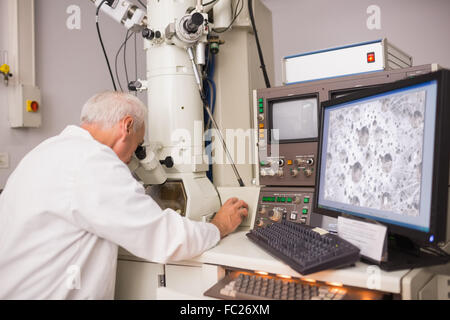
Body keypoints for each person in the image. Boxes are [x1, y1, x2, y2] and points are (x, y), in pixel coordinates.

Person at [0, 92, 248, 299]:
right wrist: (219, 226)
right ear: (127, 126)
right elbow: (164, 238)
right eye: (139, 143)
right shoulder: (93, 161)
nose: (134, 154)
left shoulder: (46, 151)